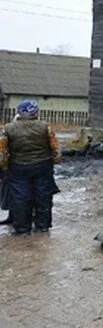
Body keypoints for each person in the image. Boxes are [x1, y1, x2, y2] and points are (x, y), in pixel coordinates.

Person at [0, 100, 61, 235]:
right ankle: (42, 226)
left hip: (18, 167)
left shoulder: (8, 128)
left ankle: (22, 229)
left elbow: (2, 151)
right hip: (43, 166)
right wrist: (56, 160)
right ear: (35, 112)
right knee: (43, 195)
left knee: (20, 197)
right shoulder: (45, 126)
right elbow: (55, 146)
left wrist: (4, 166)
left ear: (19, 112)